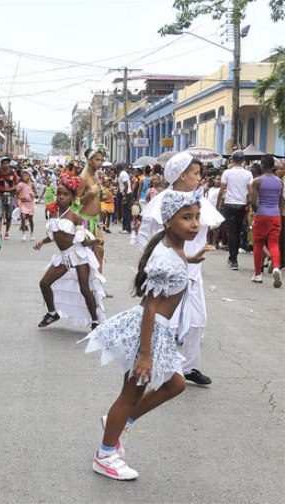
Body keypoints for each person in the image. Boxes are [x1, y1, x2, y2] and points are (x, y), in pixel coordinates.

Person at [81, 190, 213, 481]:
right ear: (168, 221)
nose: (194, 224)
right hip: (148, 332)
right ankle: (105, 455)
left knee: (176, 384)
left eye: (197, 217)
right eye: (186, 218)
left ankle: (117, 423)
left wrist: (192, 258)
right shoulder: (164, 256)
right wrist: (145, 353)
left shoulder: (175, 246)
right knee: (130, 394)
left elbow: (175, 266)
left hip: (158, 332)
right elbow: (151, 306)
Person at [137, 153, 224, 386]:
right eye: (196, 173)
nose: (199, 177)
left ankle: (189, 366)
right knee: (165, 323)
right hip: (169, 275)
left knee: (198, 320)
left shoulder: (199, 200)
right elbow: (146, 237)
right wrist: (160, 264)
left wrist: (192, 260)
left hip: (192, 274)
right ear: (182, 174)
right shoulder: (164, 202)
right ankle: (159, 366)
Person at [34, 174, 105, 330]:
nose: (60, 197)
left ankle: (95, 321)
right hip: (64, 257)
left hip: (79, 255)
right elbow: (53, 235)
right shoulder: (54, 214)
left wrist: (96, 241)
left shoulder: (76, 217)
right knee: (44, 283)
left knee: (84, 288)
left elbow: (83, 241)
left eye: (65, 194)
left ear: (72, 198)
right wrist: (42, 242)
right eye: (59, 193)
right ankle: (52, 313)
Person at [250, 155, 283, 287]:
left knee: (258, 244)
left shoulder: (257, 181)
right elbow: (281, 201)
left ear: (262, 165)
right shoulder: (279, 182)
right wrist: (279, 214)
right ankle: (276, 267)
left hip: (262, 214)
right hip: (275, 215)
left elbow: (253, 201)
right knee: (274, 243)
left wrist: (256, 211)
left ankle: (258, 274)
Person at [218, 150, 253, 270]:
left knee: (232, 231)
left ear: (232, 160)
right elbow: (251, 192)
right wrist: (250, 203)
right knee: (238, 231)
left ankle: (233, 259)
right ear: (243, 160)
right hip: (241, 204)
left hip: (229, 204)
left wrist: (218, 203)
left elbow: (222, 190)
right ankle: (233, 257)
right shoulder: (248, 174)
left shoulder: (227, 173)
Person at [78, 146, 107, 272]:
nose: (100, 162)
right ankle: (85, 286)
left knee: (100, 252)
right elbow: (76, 201)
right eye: (97, 159)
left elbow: (95, 196)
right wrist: (90, 194)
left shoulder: (95, 176)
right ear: (90, 160)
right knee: (84, 254)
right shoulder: (83, 177)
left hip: (96, 220)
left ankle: (98, 287)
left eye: (101, 160)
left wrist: (102, 194)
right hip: (85, 221)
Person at [0, 158, 18, 239]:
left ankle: (7, 232)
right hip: (0, 195)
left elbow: (17, 184)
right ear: (1, 164)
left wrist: (11, 189)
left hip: (10, 196)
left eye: (7, 163)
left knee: (8, 215)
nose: (5, 165)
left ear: (9, 164)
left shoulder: (12, 173)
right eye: (4, 163)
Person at [16, 170, 37, 241]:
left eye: (26, 175)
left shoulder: (32, 184)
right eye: (23, 176)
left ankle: (32, 234)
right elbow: (16, 194)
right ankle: (24, 234)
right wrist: (20, 197)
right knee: (23, 217)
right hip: (23, 203)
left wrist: (34, 194)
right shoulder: (20, 184)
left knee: (31, 219)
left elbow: (36, 194)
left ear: (29, 176)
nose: (24, 177)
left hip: (30, 203)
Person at [117, 163, 133, 233]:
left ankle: (127, 228)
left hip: (127, 194)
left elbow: (126, 185)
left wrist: (124, 196)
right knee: (124, 211)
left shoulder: (122, 174)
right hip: (126, 193)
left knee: (126, 212)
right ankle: (124, 228)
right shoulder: (123, 173)